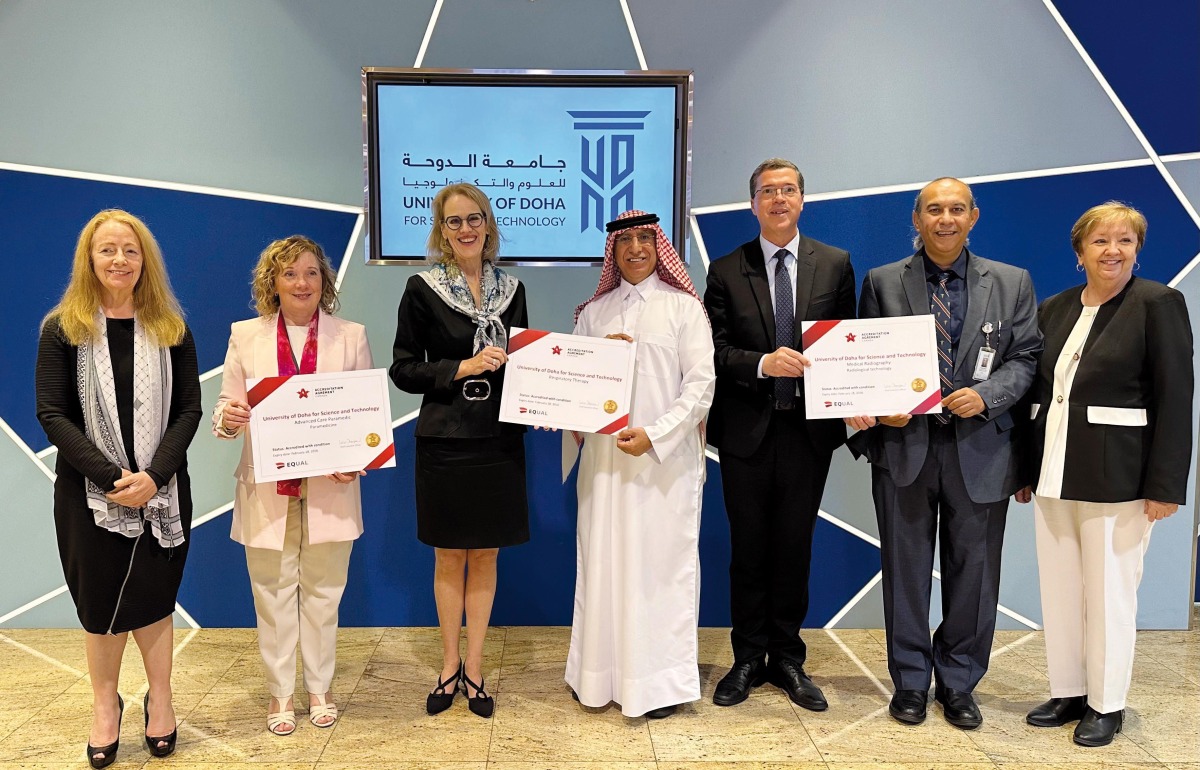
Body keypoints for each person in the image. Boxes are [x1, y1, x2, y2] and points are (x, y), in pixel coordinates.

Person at [845, 177, 1041, 729]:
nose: (946, 219)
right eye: (934, 209)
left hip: (981, 449)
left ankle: (958, 682)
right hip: (904, 448)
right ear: (917, 218)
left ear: (974, 216)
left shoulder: (1011, 282)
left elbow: (1026, 358)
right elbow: (861, 358)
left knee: (974, 575)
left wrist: (986, 394)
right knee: (904, 572)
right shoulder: (882, 282)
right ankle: (909, 682)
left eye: (957, 209)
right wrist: (877, 407)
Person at [1016, 202, 1192, 747]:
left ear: (1138, 250)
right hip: (1055, 472)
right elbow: (1036, 395)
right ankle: (1069, 689)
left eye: (1125, 241)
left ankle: (1106, 702)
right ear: (1079, 252)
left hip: (1122, 476)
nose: (1112, 251)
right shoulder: (1055, 308)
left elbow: (1176, 397)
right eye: (1100, 241)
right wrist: (1025, 469)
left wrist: (1166, 486)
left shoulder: (1159, 303)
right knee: (1062, 588)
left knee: (1112, 592)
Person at [35, 209, 200, 767]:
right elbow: (53, 414)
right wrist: (110, 478)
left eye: (130, 250)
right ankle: (106, 706)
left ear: (144, 259)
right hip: (88, 497)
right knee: (99, 605)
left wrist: (154, 477)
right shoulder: (62, 328)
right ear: (89, 258)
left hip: (163, 491)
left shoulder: (172, 328)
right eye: (107, 250)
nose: (119, 260)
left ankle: (162, 700)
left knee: (155, 603)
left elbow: (189, 410)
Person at [703, 158, 855, 711]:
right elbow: (712, 352)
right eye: (768, 191)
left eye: (788, 190)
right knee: (748, 550)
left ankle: (788, 658)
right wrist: (764, 363)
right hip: (746, 433)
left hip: (808, 436)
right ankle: (747, 658)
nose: (779, 199)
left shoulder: (835, 265)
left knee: (794, 548)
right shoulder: (725, 269)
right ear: (753, 204)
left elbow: (847, 345)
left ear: (802, 199)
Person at [213, 236, 371, 735]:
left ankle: (320, 687)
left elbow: (362, 413)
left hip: (331, 486)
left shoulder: (350, 335)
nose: (302, 283)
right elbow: (224, 412)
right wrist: (229, 417)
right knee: (273, 593)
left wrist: (356, 460)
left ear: (324, 282)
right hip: (266, 488)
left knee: (325, 592)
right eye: (290, 274)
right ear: (272, 283)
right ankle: (280, 694)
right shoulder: (246, 336)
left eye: (311, 273)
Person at [565, 210, 716, 719]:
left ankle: (659, 686)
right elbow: (572, 388)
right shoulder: (594, 313)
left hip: (662, 467)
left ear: (659, 246)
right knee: (602, 563)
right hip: (605, 465)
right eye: (624, 240)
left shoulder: (683, 309)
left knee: (659, 571)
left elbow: (700, 387)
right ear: (613, 251)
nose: (634, 249)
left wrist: (655, 433)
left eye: (644, 239)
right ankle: (597, 678)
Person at [390, 183, 529, 719]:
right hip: (446, 439)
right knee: (450, 555)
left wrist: (545, 397)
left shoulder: (512, 289)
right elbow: (403, 369)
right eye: (454, 222)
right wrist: (460, 367)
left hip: (499, 439)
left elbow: (522, 361)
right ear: (442, 233)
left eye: (474, 219)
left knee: (487, 554)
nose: (466, 229)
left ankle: (475, 668)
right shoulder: (421, 289)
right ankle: (448, 666)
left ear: (487, 226)